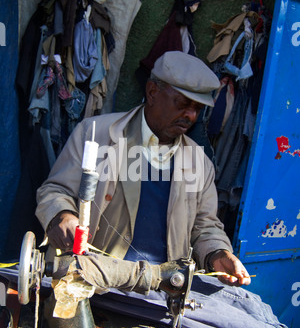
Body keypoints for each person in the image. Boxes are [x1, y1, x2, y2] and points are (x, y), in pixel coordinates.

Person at [36, 51, 250, 288]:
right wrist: (61, 215)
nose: (190, 115)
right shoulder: (95, 135)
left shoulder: (200, 164)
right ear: (152, 92)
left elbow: (205, 226)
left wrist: (217, 254)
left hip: (164, 288)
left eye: (197, 108)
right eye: (182, 103)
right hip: (97, 281)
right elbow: (55, 190)